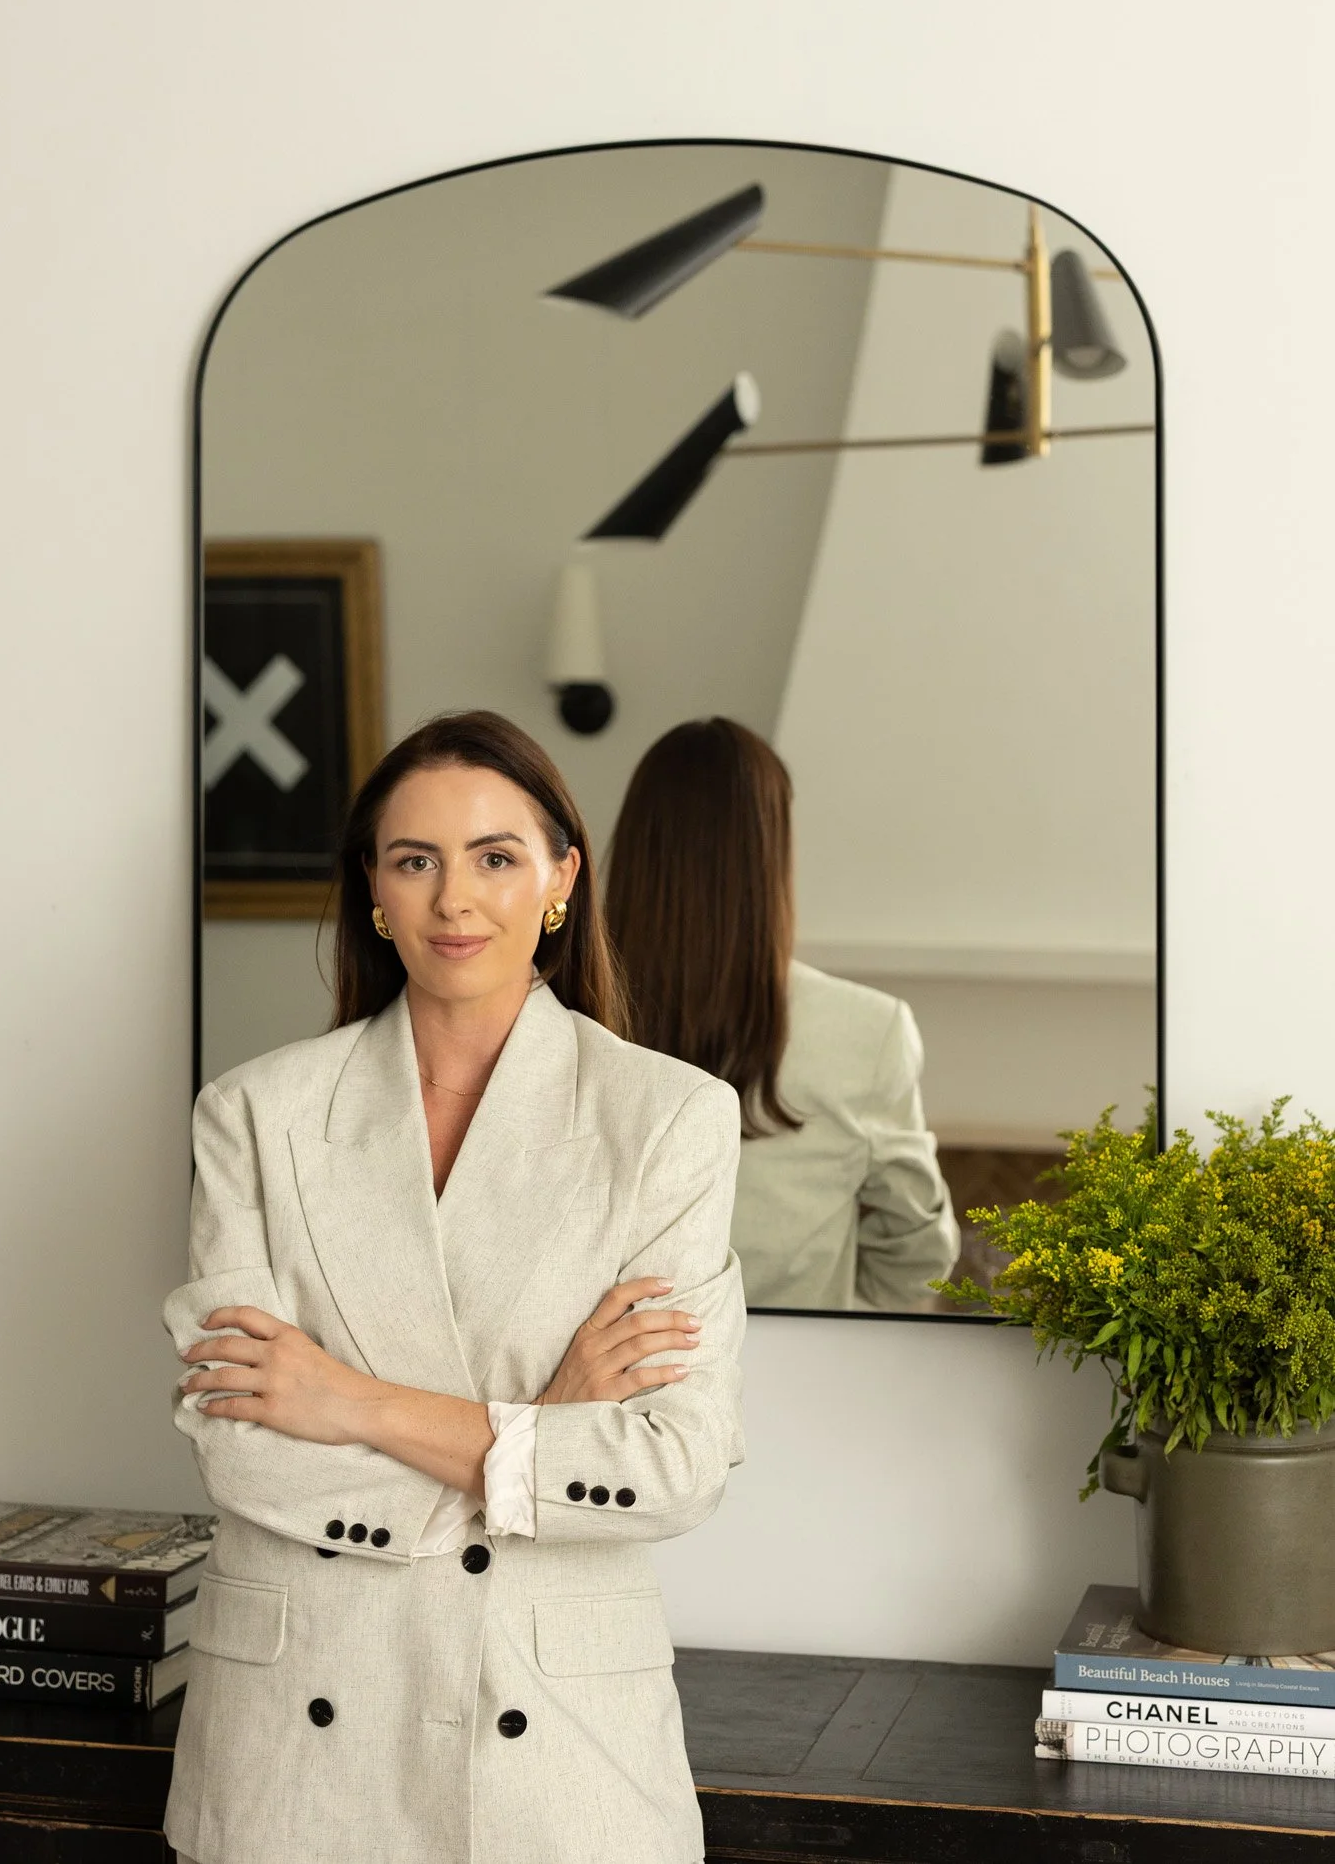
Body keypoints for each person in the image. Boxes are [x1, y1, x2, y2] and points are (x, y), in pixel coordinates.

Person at [165, 710, 744, 1864]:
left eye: (494, 857)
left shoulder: (668, 1118)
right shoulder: (256, 1115)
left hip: (559, 1751)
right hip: (297, 1749)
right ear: (373, 892)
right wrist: (548, 1428)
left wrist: (349, 1400)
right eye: (413, 860)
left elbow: (673, 1468)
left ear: (560, 879)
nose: (453, 901)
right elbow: (242, 1450)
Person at [606, 718, 958, 1314]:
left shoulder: (562, 1014)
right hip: (805, 1387)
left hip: (607, 1392)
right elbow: (918, 1254)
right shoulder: (868, 1032)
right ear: (774, 857)